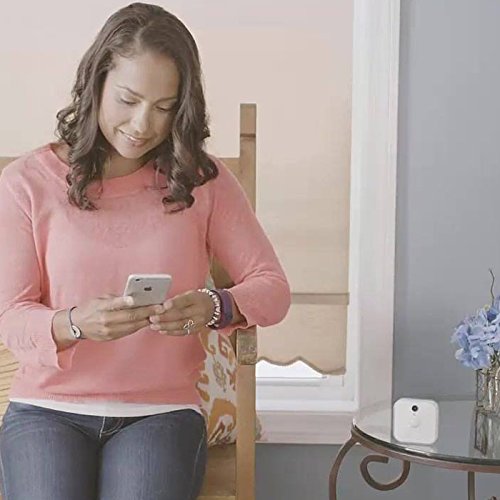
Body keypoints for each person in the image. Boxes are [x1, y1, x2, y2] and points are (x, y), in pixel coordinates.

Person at [0, 3, 291, 499]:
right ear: (96, 84)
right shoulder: (26, 183)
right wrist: (74, 324)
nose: (142, 124)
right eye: (128, 100)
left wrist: (215, 305)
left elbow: (273, 289)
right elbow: (10, 316)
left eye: (164, 107)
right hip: (47, 410)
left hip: (160, 413)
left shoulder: (204, 182)